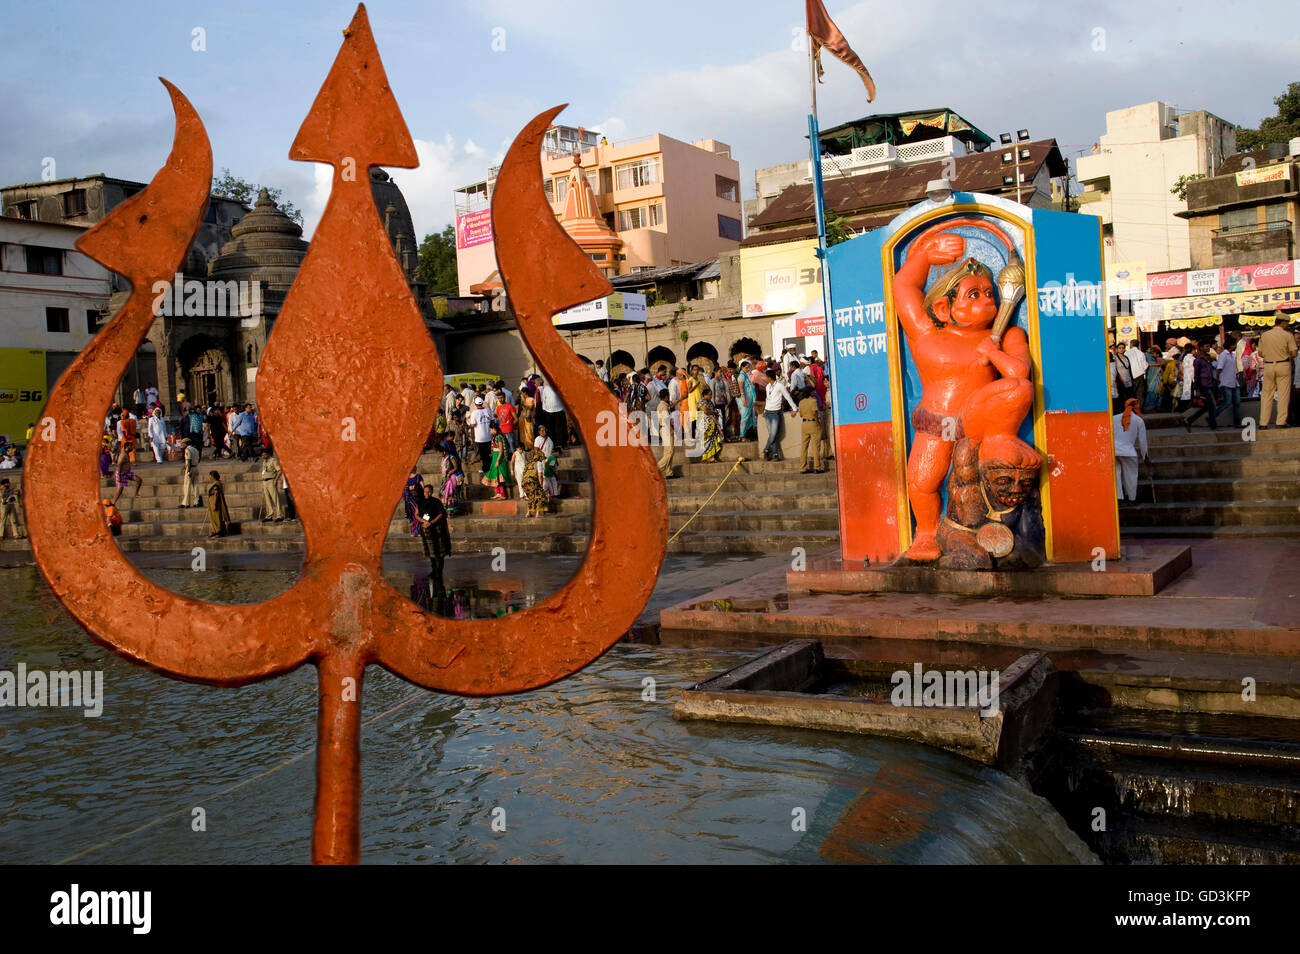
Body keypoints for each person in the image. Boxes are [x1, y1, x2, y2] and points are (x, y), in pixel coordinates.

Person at [1258, 312, 1298, 429]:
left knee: (1266, 395)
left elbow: (1260, 353)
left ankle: (1263, 423)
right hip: (1283, 365)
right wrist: (1285, 354)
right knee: (1283, 395)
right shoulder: (1287, 335)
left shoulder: (1265, 335)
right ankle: (1280, 422)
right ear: (1283, 323)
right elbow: (1294, 353)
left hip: (1269, 366)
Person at [1113, 397, 1148, 503]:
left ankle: (1119, 497)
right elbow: (1143, 441)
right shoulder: (1139, 420)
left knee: (1116, 473)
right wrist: (1145, 456)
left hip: (1114, 450)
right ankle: (1132, 498)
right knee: (1131, 475)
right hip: (1129, 451)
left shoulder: (1114, 418)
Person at [416, 483, 451, 586]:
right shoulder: (421, 502)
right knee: (431, 552)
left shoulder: (436, 502)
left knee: (439, 552)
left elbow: (441, 514)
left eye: (428, 492)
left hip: (437, 530)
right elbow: (416, 514)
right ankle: (433, 570)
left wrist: (431, 522)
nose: (426, 493)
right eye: (425, 492)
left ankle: (439, 571)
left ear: (431, 492)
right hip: (427, 530)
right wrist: (423, 521)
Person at [1181, 341, 1221, 431]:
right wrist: (1197, 389)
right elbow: (1196, 375)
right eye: (1206, 346)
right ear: (1201, 348)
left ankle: (1190, 420)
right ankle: (1213, 424)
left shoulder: (1208, 358)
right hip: (1203, 384)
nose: (1208, 348)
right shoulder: (1198, 360)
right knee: (1212, 404)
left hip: (1210, 384)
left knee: (1208, 406)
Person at [762, 369, 798, 461]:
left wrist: (794, 408)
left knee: (773, 434)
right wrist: (764, 410)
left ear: (769, 377)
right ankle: (775, 454)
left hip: (775, 412)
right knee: (772, 435)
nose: (765, 378)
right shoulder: (767, 387)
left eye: (766, 377)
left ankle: (766, 449)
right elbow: (767, 399)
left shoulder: (779, 386)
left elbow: (787, 397)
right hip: (768, 412)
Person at [1214, 337, 1242, 428]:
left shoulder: (1232, 355)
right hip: (1225, 382)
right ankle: (1213, 416)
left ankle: (1237, 423)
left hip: (1233, 382)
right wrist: (1217, 381)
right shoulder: (1223, 355)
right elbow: (1219, 368)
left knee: (1237, 403)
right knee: (1227, 402)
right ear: (1231, 345)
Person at [481, 421, 511, 500]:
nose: (490, 431)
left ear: (494, 429)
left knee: (499, 477)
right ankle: (498, 493)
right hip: (494, 457)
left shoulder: (499, 437)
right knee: (494, 475)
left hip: (499, 458)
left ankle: (503, 494)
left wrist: (497, 460)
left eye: (491, 430)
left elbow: (501, 450)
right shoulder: (494, 436)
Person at [797, 387, 824, 474]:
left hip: (804, 424)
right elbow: (815, 413)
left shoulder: (801, 402)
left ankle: (802, 467)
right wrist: (818, 423)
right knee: (816, 446)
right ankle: (817, 467)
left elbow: (801, 414)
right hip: (813, 423)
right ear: (810, 393)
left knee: (804, 447)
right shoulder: (813, 401)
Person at [521, 447, 550, 517]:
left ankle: (528, 513)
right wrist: (541, 485)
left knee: (531, 497)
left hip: (524, 483)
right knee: (540, 496)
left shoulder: (528, 464)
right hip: (532, 481)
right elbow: (540, 476)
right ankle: (538, 514)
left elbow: (524, 474)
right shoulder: (538, 463)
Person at [469, 396, 493, 471]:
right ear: (482, 403)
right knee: (488, 453)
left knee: (483, 454)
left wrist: (469, 425)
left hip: (480, 437)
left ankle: (486, 468)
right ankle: (489, 467)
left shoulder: (474, 413)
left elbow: (472, 425)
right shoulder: (488, 411)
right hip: (488, 435)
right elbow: (492, 421)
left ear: (475, 405)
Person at [655, 389, 675, 479]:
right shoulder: (663, 406)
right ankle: (656, 469)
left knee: (667, 451)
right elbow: (666, 419)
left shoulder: (662, 405)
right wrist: (671, 430)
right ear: (666, 396)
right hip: (666, 429)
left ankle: (668, 472)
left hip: (663, 429)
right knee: (670, 452)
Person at [205, 470, 231, 538]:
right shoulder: (216, 483)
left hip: (215, 502)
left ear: (213, 477)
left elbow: (216, 494)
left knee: (217, 517)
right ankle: (215, 531)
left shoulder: (217, 483)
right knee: (213, 517)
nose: (209, 478)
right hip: (212, 502)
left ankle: (219, 531)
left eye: (210, 476)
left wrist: (214, 504)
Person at [260, 449, 284, 521]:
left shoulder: (273, 461)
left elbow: (279, 471)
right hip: (265, 481)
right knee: (267, 499)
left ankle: (279, 515)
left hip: (271, 481)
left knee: (275, 498)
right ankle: (270, 515)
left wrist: (276, 480)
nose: (263, 456)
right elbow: (264, 472)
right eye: (262, 455)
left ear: (268, 454)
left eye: (264, 455)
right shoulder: (264, 462)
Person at [696, 396, 723, 463]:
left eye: (711, 395)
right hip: (705, 424)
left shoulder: (710, 402)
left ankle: (712, 457)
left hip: (712, 424)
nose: (711, 396)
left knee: (713, 441)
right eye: (709, 394)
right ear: (704, 395)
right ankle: (707, 457)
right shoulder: (702, 402)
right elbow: (705, 412)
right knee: (707, 441)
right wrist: (714, 413)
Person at [440, 448, 465, 516]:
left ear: (444, 452)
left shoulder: (451, 457)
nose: (439, 455)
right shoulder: (443, 459)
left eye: (439, 453)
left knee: (450, 494)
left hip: (452, 478)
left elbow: (456, 467)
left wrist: (449, 473)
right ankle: (447, 510)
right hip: (445, 478)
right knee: (443, 493)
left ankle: (451, 511)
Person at [1125, 339, 1148, 410]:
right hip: (1140, 375)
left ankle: (1130, 409)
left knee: (1131, 393)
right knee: (1139, 394)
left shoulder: (1126, 353)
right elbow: (1145, 365)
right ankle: (1139, 409)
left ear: (1131, 345)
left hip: (1130, 375)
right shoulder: (1141, 353)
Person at [402, 468, 424, 536]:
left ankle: (417, 531)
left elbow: (423, 488)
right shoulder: (416, 477)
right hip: (410, 500)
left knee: (416, 515)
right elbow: (423, 487)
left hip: (416, 499)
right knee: (414, 515)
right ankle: (416, 531)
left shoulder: (417, 476)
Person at [180, 437, 201, 508]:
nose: (182, 445)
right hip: (196, 467)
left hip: (190, 468)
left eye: (183, 443)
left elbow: (188, 460)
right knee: (196, 486)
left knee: (187, 486)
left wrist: (188, 470)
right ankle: (196, 502)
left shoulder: (187, 450)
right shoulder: (195, 449)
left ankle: (186, 503)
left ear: (186, 443)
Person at [495, 389, 517, 455]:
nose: (500, 399)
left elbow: (516, 419)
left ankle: (515, 462)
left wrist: (510, 425)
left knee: (512, 448)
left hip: (509, 431)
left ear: (505, 397)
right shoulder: (498, 408)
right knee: (505, 450)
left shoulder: (509, 406)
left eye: (501, 397)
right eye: (499, 398)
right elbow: (499, 419)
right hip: (501, 431)